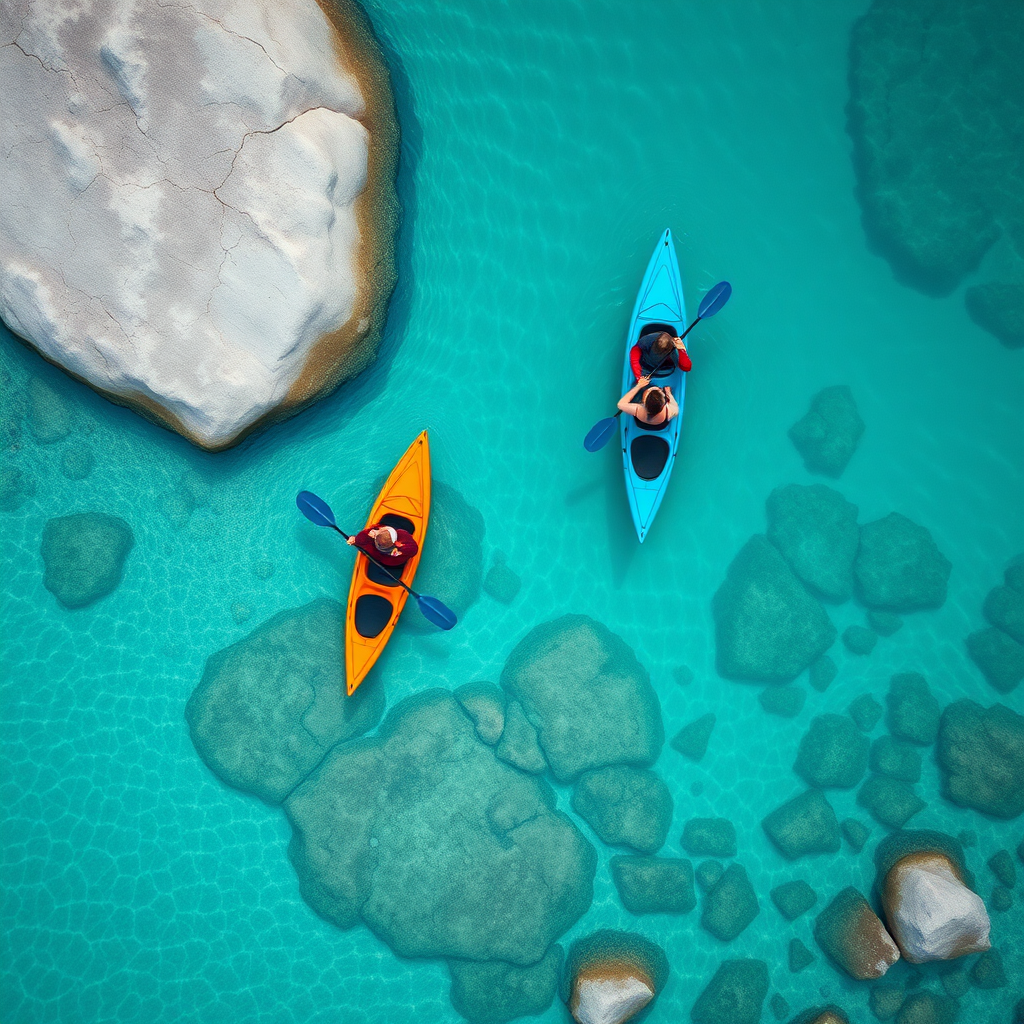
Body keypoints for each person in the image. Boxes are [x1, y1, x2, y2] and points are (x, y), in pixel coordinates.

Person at [347, 522, 418, 566]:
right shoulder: (401, 533)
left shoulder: (373, 550)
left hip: (387, 561)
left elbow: (360, 541)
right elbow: (414, 550)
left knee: (370, 550)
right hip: (396, 561)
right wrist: (402, 547)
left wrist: (355, 539)